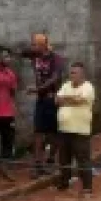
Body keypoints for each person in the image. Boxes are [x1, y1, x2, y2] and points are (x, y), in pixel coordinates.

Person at [54, 60, 96, 196]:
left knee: (83, 160)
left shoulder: (88, 87)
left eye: (75, 73)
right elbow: (57, 100)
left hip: (80, 131)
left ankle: (87, 188)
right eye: (71, 73)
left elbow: (80, 99)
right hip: (64, 129)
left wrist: (66, 99)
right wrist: (71, 99)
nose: (72, 75)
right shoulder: (66, 85)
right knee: (63, 159)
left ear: (82, 74)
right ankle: (64, 182)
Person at [24, 32, 65, 171]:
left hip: (53, 99)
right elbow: (21, 52)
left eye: (35, 45)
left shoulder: (56, 59)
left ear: (43, 46)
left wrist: (38, 89)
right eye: (32, 44)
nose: (32, 47)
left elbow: (55, 78)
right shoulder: (34, 57)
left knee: (54, 133)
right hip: (41, 99)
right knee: (38, 131)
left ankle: (51, 158)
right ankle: (38, 164)